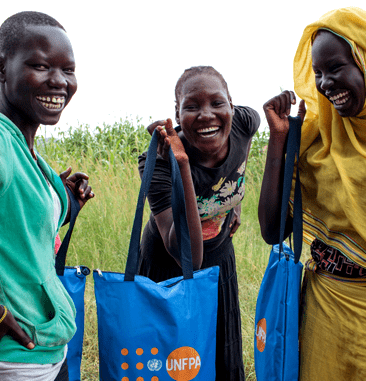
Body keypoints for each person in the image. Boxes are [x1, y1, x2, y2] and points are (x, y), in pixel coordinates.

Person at [259, 7, 366, 381]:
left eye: (335, 68)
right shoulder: (317, 137)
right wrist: (278, 142)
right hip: (324, 308)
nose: (325, 84)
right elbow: (272, 231)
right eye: (318, 73)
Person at [0, 11, 94, 381]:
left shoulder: (23, 147)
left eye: (68, 70)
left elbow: (8, 225)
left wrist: (66, 201)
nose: (59, 81)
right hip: (6, 361)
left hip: (44, 349)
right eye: (40, 66)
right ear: (1, 68)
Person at [138, 66, 260, 380]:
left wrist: (236, 193)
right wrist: (182, 165)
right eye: (191, 107)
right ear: (177, 115)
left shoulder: (244, 122)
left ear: (231, 105)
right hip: (168, 268)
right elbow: (187, 254)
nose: (206, 115)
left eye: (217, 103)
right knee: (172, 363)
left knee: (220, 354)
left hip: (219, 260)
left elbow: (241, 152)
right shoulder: (159, 159)